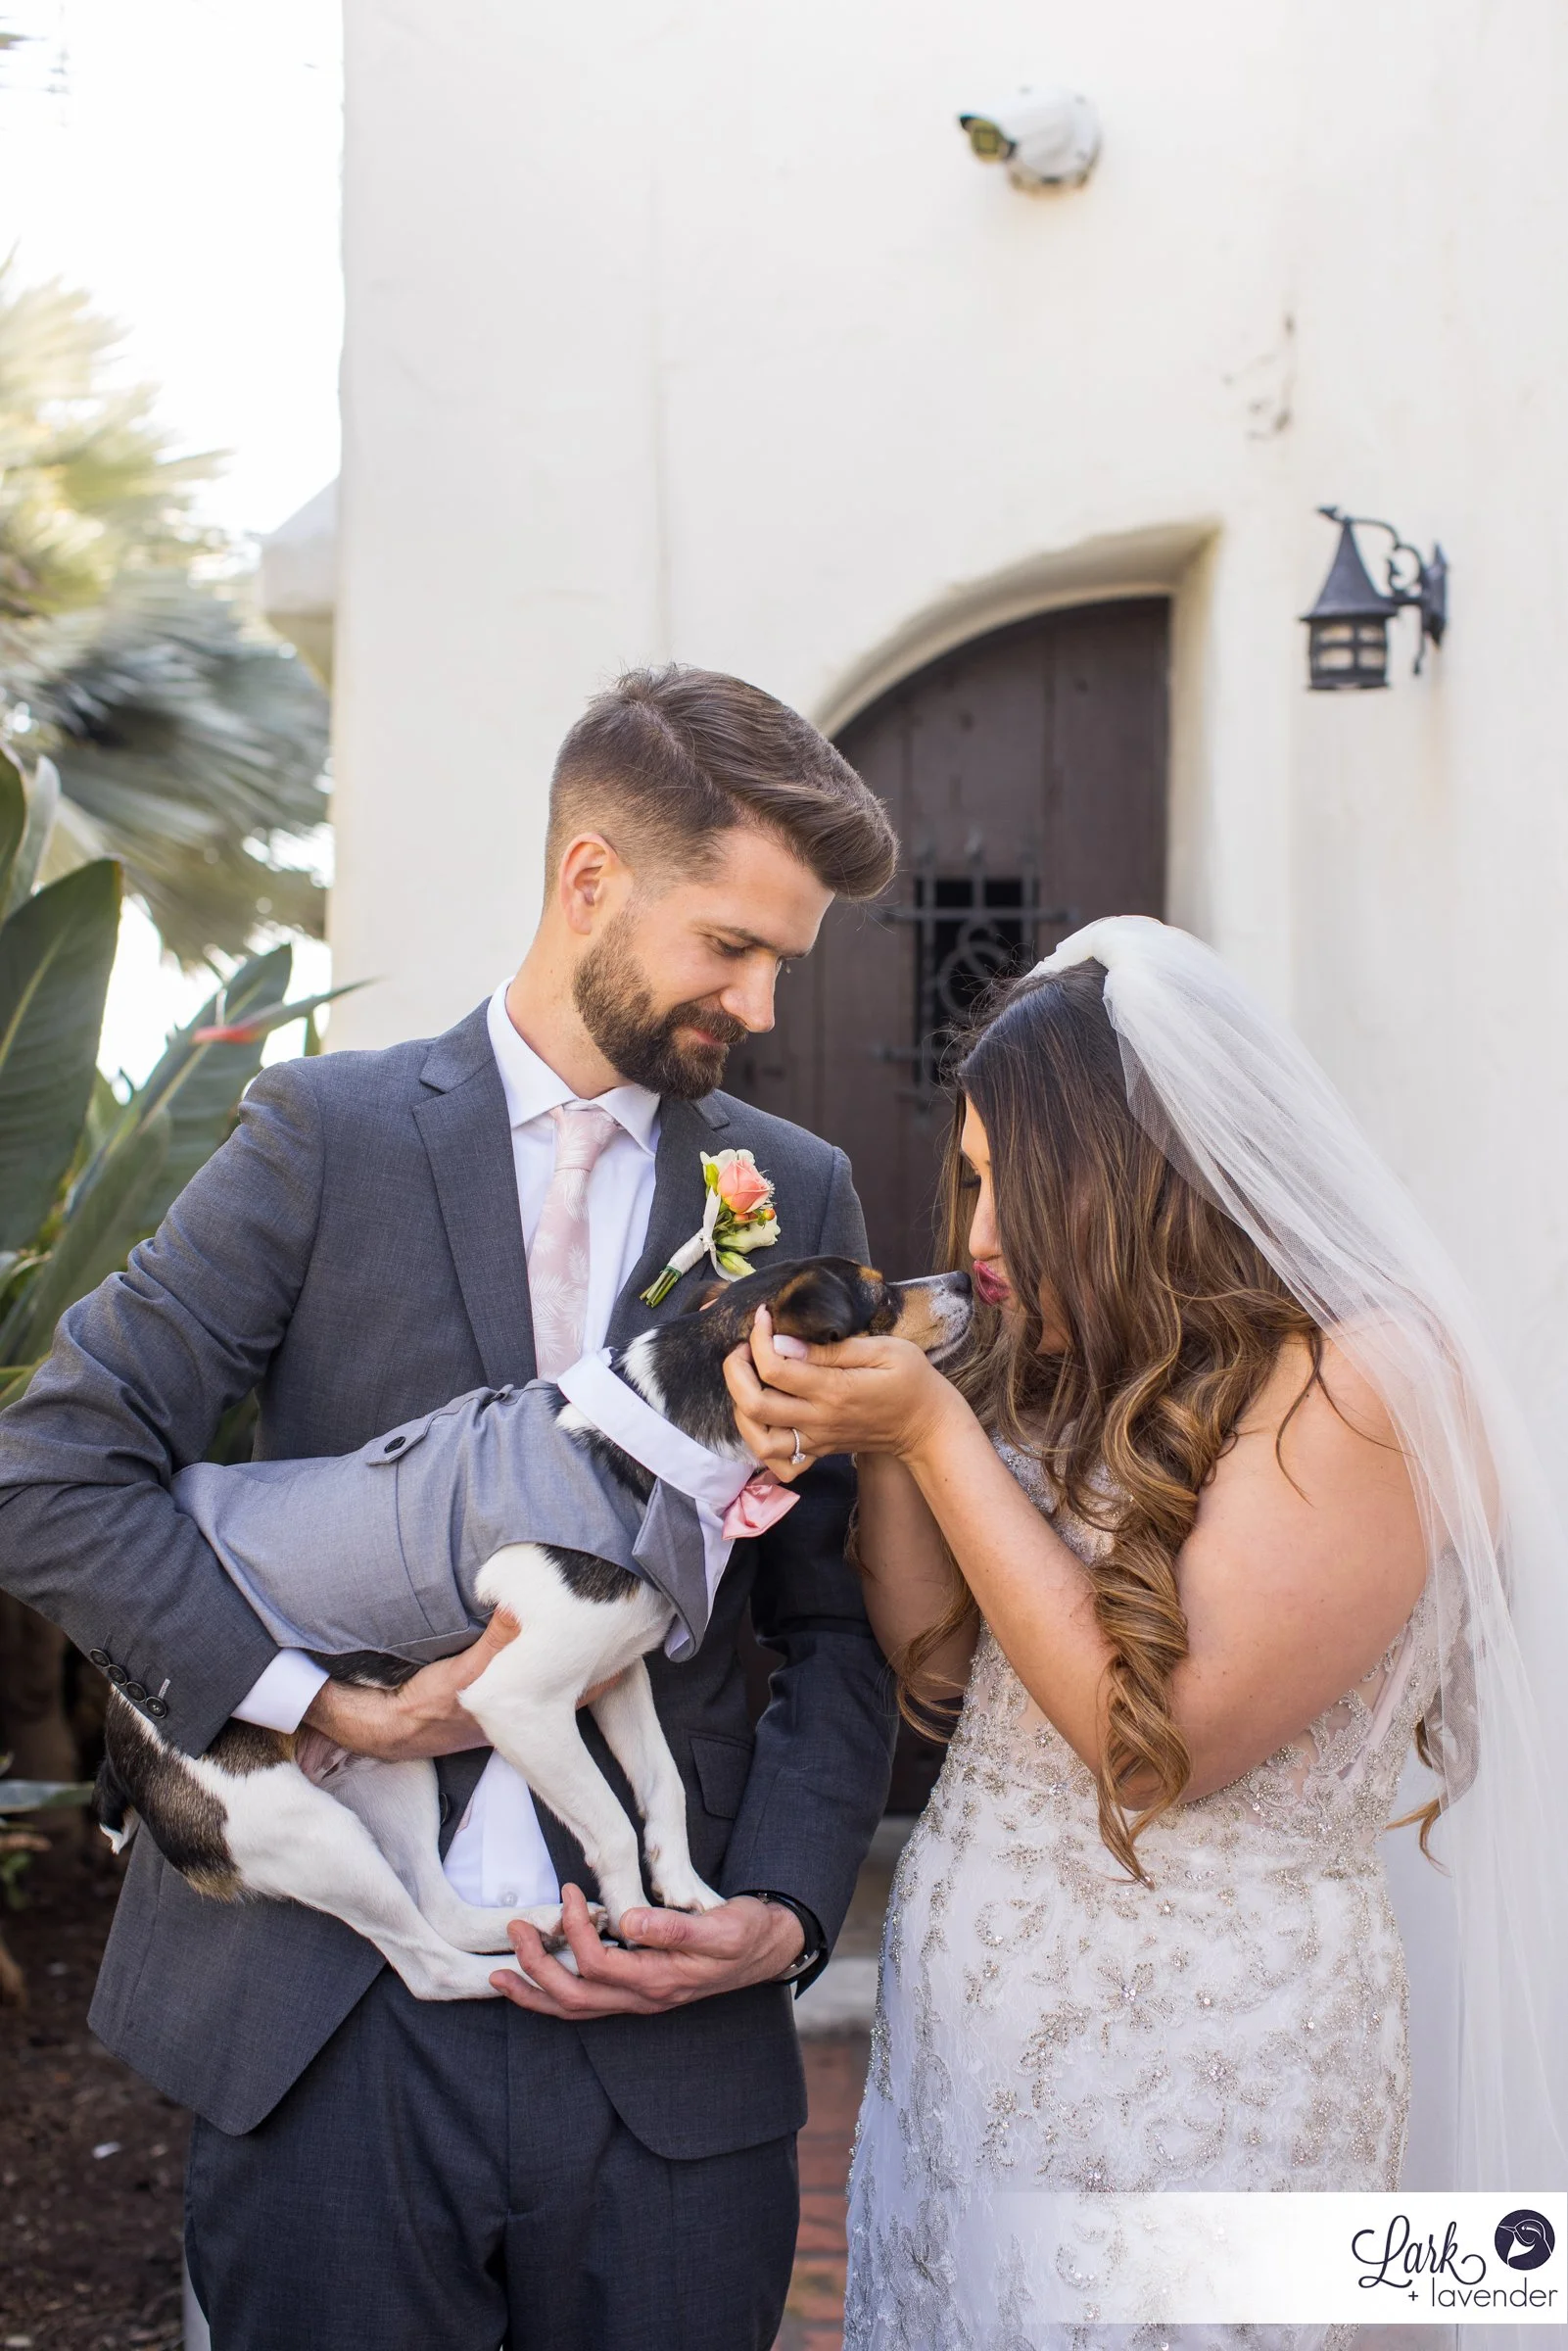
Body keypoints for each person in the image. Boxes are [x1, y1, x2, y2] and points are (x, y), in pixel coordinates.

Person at [0, 665, 901, 2351]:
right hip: (324, 2026)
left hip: (667, 2057)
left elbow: (833, 1620)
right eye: (732, 946)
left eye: (785, 959)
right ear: (590, 879)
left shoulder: (797, 1193)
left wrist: (779, 1912)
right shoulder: (322, 1136)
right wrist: (314, 1703)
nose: (763, 1003)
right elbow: (53, 1466)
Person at [726, 917, 1567, 2348]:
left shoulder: (1365, 1380)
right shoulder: (1079, 1353)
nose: (978, 1240)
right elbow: (941, 1667)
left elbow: (1153, 1745)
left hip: (1201, 2060)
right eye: (973, 1181)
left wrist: (930, 1431)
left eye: (1019, 1188)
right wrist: (894, 1422)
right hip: (969, 2047)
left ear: (1135, 1177)